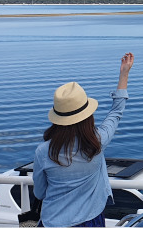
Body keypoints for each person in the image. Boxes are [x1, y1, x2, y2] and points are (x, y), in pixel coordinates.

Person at [32, 52, 134, 227]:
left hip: (53, 223)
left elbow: (40, 193)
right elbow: (116, 113)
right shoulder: (97, 142)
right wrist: (124, 74)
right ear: (88, 115)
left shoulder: (44, 151)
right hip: (90, 221)